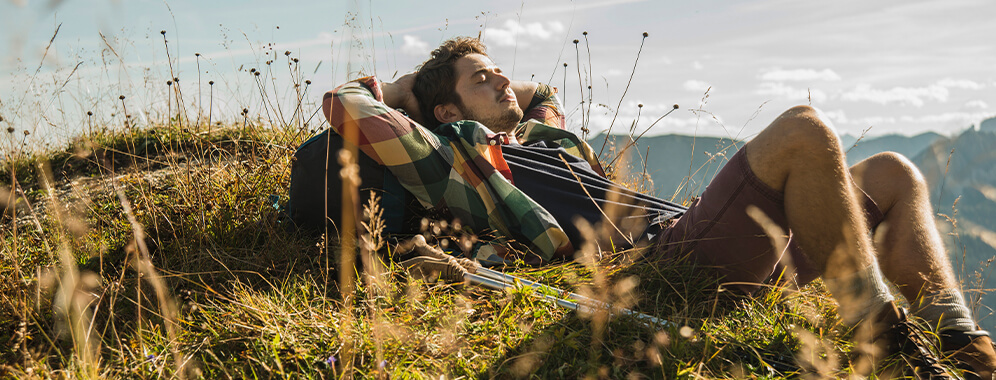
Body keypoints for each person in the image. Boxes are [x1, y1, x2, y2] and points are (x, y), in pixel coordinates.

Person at [322, 36, 996, 377]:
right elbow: (347, 108)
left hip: (710, 235)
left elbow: (541, 92)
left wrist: (482, 75)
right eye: (481, 77)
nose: (501, 77)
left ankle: (968, 349)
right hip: (661, 265)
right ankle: (879, 338)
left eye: (498, 68)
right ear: (442, 111)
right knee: (804, 130)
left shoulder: (541, 137)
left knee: (892, 171)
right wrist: (409, 86)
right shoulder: (453, 160)